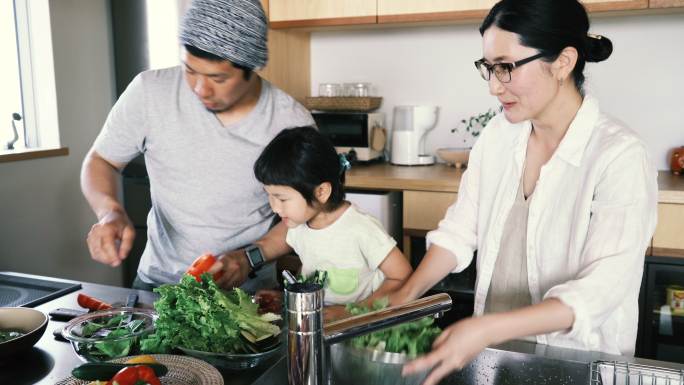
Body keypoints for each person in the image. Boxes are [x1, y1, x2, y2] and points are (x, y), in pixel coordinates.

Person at [393, 1, 658, 384]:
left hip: (577, 367)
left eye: (506, 67)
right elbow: (460, 231)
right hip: (496, 360)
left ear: (563, 62)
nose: (493, 86)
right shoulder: (498, 136)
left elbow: (599, 290)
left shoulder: (619, 155)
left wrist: (485, 328)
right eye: (487, 68)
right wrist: (405, 296)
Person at [80, 0, 314, 291]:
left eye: (218, 78)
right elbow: (101, 160)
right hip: (157, 285)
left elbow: (310, 210)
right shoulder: (150, 92)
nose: (200, 89)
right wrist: (109, 212)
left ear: (252, 67)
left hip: (245, 291)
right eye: (189, 70)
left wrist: (249, 257)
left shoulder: (289, 121)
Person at [250, 126, 413, 321]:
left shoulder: (360, 228)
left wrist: (351, 311)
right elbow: (312, 277)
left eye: (282, 199)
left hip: (360, 332)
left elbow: (402, 276)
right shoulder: (298, 225)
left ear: (321, 192)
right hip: (320, 328)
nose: (274, 208)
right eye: (269, 196)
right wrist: (286, 300)